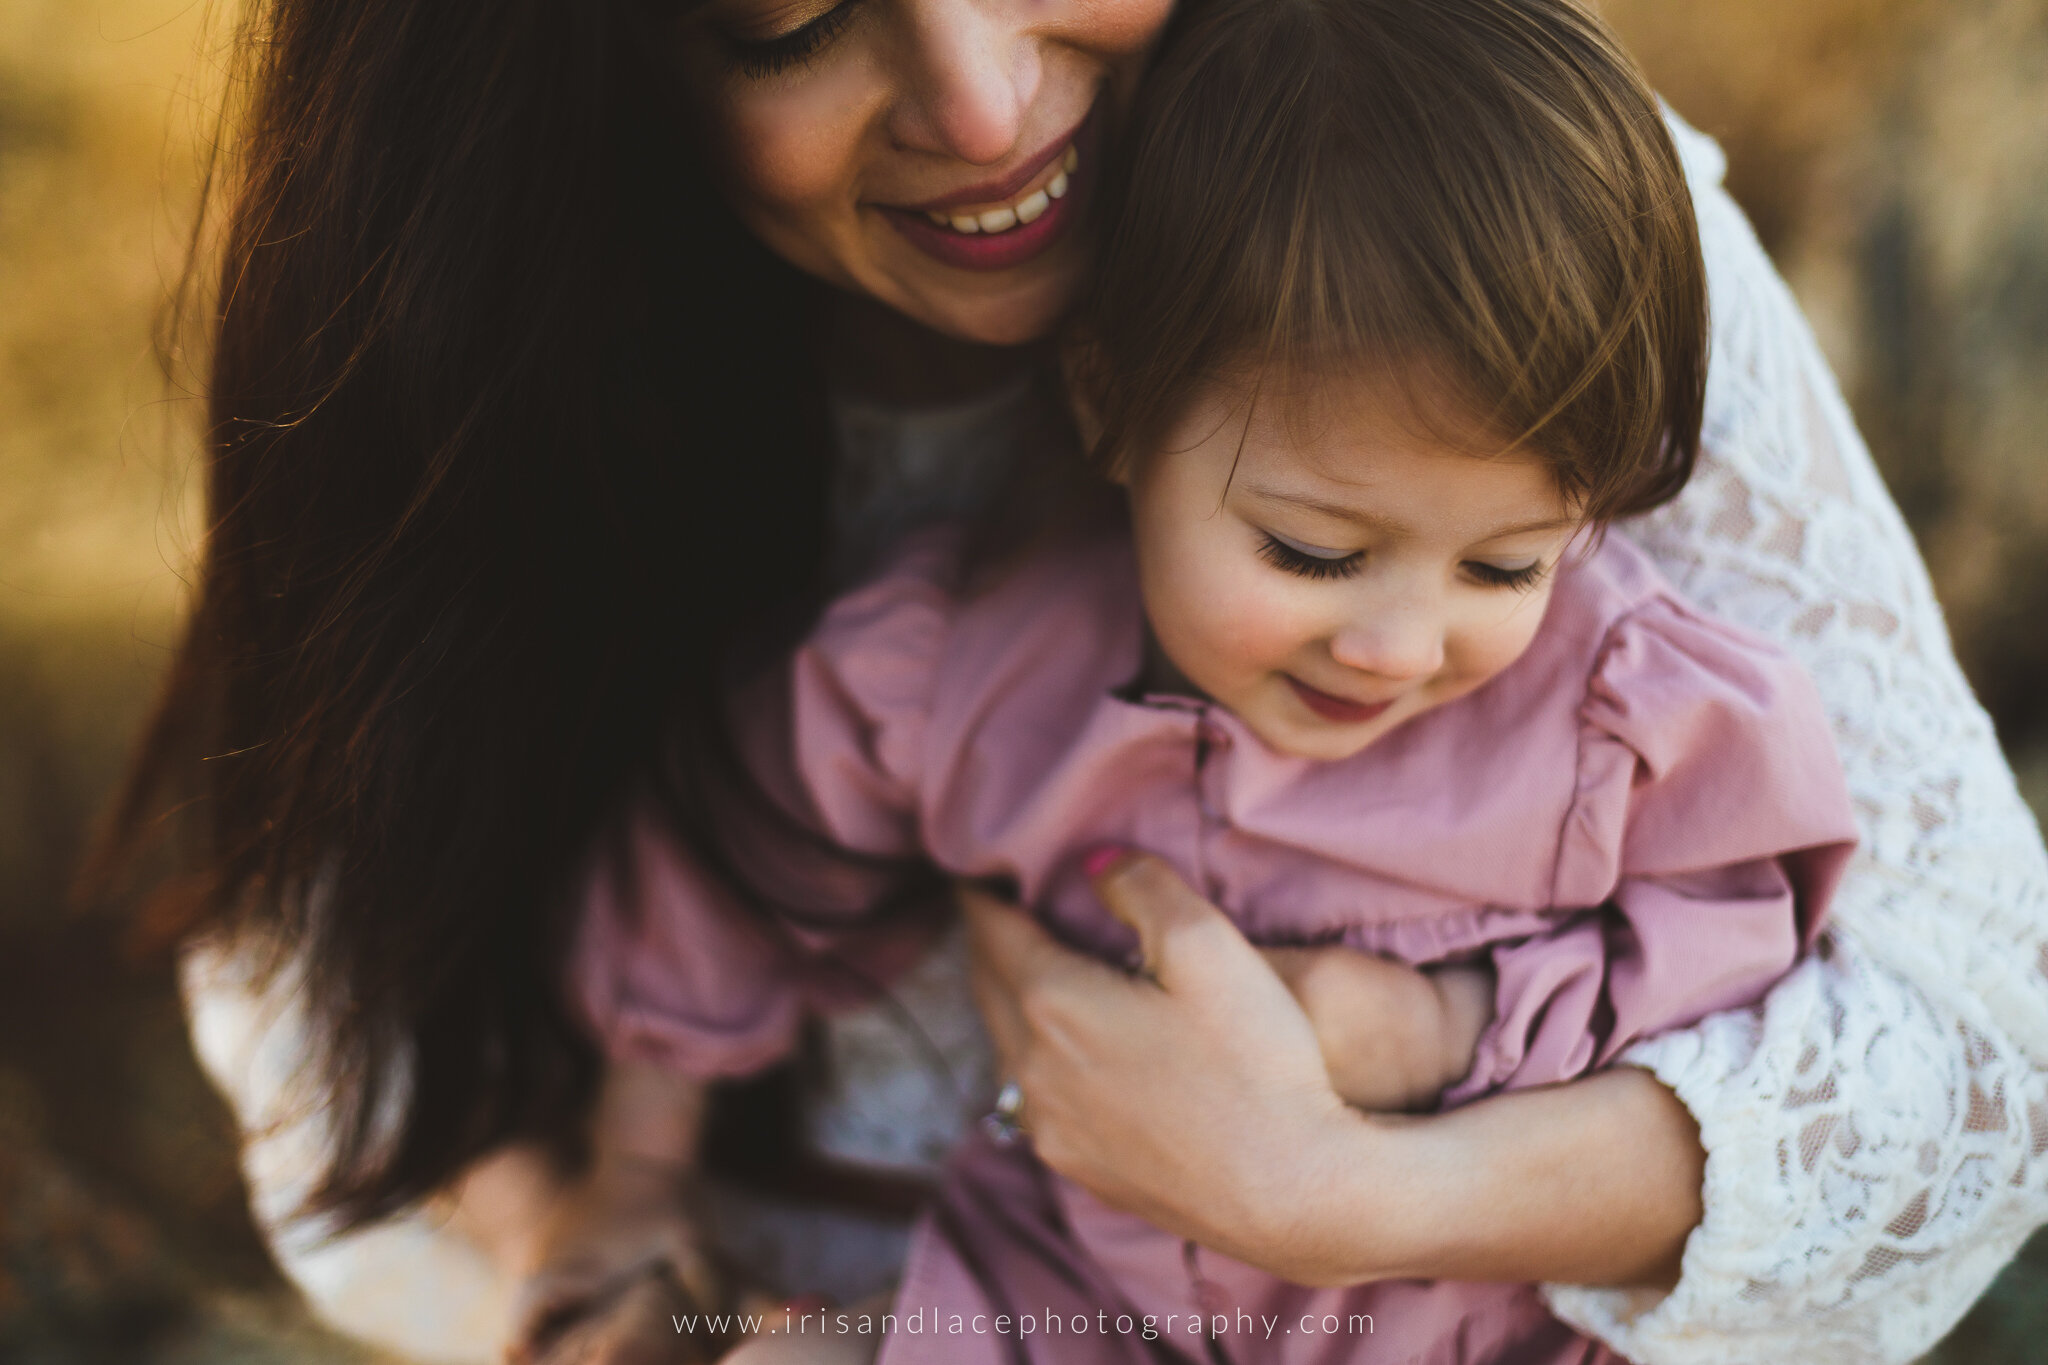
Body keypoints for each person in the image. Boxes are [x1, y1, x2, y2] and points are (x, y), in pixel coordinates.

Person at [135, 0, 2048, 1362]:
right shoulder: (523, 360)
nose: (980, 103)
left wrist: (1359, 1163)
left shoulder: (1522, 243)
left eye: (1503, 563)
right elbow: (339, 950)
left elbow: (1958, 1035)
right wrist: (584, 1227)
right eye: (792, 22)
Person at [561, 4, 1864, 1360]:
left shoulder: (1619, 722)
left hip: (1456, 1333)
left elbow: (1753, 977)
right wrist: (638, 1171)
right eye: (1313, 550)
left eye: (1504, 567)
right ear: (1110, 402)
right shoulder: (965, 665)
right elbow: (730, 861)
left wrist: (1449, 1022)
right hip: (1071, 1304)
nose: (1401, 646)